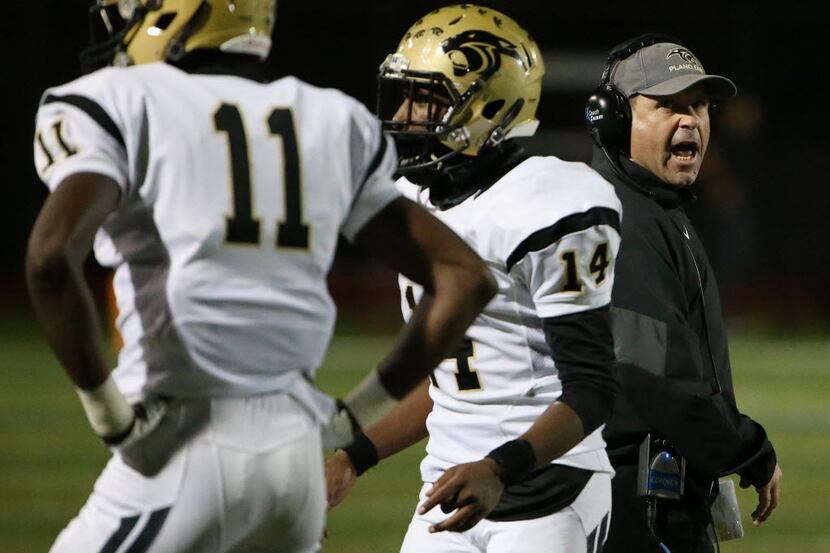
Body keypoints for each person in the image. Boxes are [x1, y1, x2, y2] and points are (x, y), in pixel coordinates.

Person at [25, 1, 496, 552]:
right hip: (296, 459)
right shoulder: (328, 116)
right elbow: (465, 277)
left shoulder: (119, 99)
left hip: (182, 442)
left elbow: (50, 260)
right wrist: (353, 417)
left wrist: (110, 417)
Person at [325, 5, 622, 552]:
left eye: (429, 100)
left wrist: (498, 467)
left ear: (490, 105)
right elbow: (445, 385)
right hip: (446, 491)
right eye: (407, 96)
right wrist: (350, 458)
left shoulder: (550, 203)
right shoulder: (413, 202)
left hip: (549, 490)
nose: (409, 114)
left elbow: (593, 389)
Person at [584, 34, 783, 552]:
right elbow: (657, 372)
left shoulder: (657, 209)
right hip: (631, 501)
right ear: (616, 118)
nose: (690, 118)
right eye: (668, 105)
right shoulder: (622, 216)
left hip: (657, 489)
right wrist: (748, 449)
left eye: (698, 104)